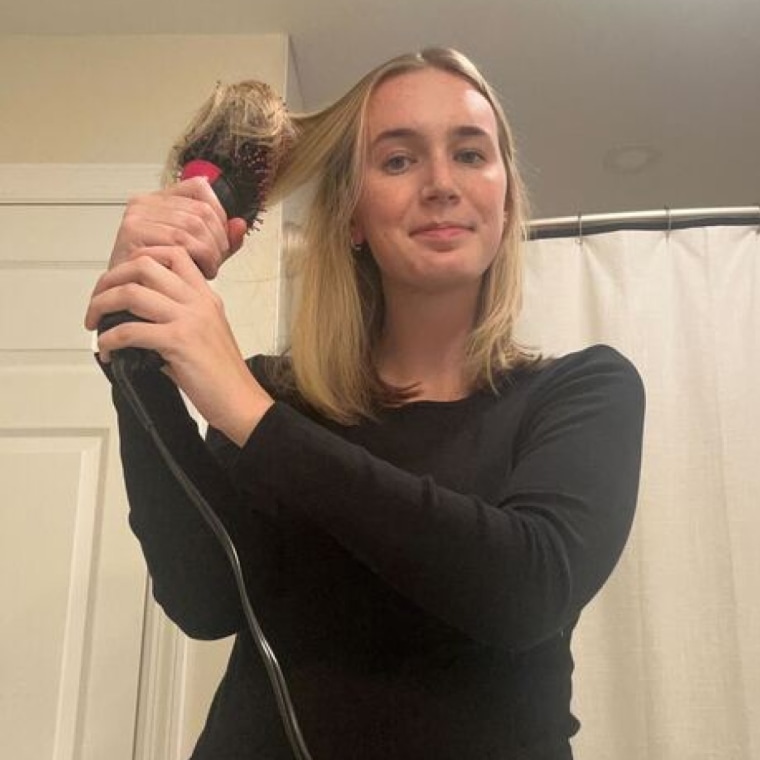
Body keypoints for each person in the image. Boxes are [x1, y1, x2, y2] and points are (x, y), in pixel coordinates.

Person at [85, 48, 645, 760]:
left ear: (505, 201)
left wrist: (252, 416)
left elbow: (523, 592)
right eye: (399, 160)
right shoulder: (276, 394)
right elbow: (204, 601)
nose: (442, 184)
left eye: (471, 154)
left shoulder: (580, 393)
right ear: (351, 214)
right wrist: (138, 353)